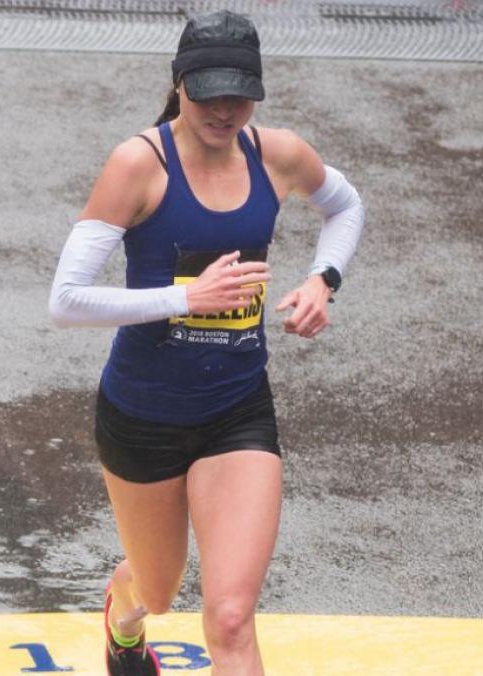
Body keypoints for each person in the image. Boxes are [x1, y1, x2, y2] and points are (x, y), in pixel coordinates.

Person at [49, 9, 364, 675]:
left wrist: (322, 280)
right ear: (180, 84)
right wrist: (186, 298)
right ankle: (123, 614)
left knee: (228, 616)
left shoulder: (276, 153)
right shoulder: (139, 164)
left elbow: (345, 206)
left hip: (236, 412)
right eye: (209, 91)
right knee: (158, 592)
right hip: (142, 418)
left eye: (239, 94)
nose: (225, 109)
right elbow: (66, 300)